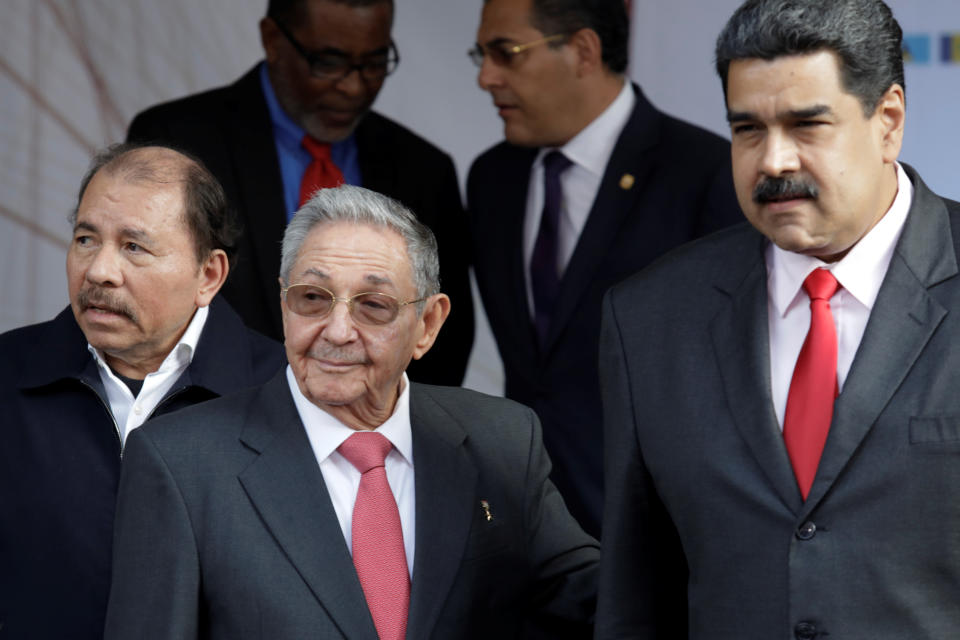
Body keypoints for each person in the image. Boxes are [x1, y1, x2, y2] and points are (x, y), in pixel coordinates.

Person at [597, 1, 960, 637]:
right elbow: (636, 594)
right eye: (748, 130)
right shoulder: (650, 318)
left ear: (889, 121)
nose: (773, 162)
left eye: (807, 125)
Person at [103, 185, 599, 640]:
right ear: (283, 303)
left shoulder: (502, 438)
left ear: (427, 323)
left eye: (373, 306)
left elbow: (597, 599)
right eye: (313, 299)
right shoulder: (181, 463)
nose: (337, 331)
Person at [467, 0, 742, 536]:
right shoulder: (491, 179)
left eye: (506, 53)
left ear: (583, 50)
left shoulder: (704, 175)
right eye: (482, 54)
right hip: (518, 534)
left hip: (652, 541)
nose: (485, 77)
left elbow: (732, 384)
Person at [0, 144, 285, 640]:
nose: (99, 271)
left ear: (209, 275)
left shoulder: (283, 393)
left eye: (134, 247)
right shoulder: (7, 374)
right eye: (86, 239)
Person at [126, 0, 473, 386]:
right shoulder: (179, 143)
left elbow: (445, 343)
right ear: (272, 39)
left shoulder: (423, 168)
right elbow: (147, 302)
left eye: (373, 63)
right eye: (328, 62)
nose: (354, 86)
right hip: (213, 418)